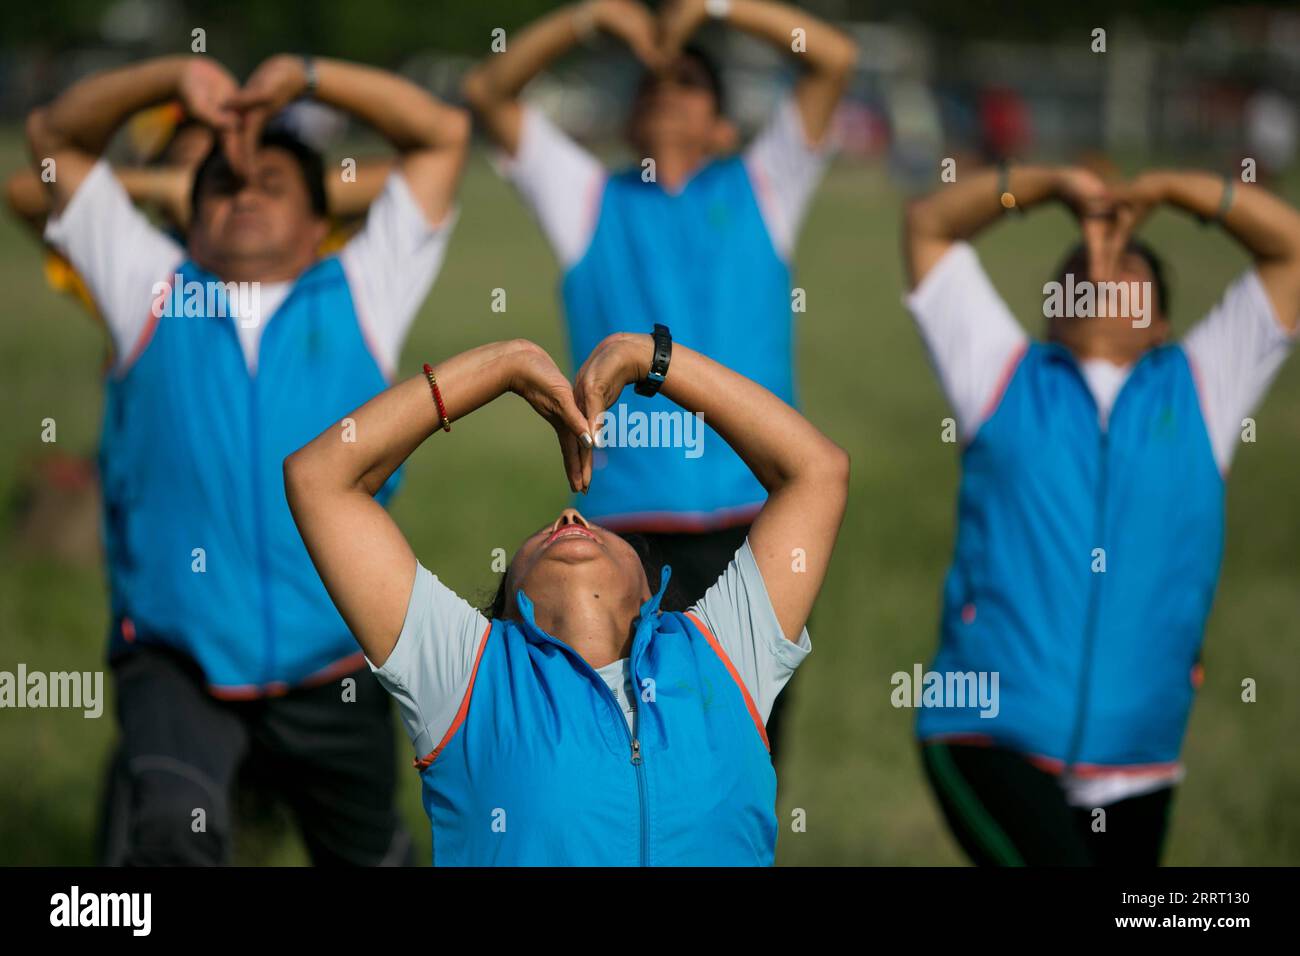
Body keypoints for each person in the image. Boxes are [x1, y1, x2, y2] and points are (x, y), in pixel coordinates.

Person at [25, 52, 470, 865]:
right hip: (178, 659)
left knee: (373, 857)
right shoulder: (149, 285)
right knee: (168, 836)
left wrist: (304, 78)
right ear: (192, 222)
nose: (245, 194)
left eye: (272, 181)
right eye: (224, 186)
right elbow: (53, 138)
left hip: (336, 657)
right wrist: (169, 77)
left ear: (318, 224)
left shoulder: (366, 287)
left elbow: (440, 135)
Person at [283, 331, 849, 865]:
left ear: (652, 590)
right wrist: (500, 367)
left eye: (598, 526)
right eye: (539, 535)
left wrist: (650, 357)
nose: (570, 515)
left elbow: (817, 471)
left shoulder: (724, 653)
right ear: (508, 608)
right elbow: (320, 478)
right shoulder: (466, 680)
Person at [461, 0, 858, 760]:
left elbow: (833, 58)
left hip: (760, 515)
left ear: (721, 125)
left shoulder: (765, 186)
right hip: (629, 533)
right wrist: (591, 19)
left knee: (747, 750)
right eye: (649, 85)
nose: (663, 92)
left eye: (687, 82)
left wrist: (712, 8)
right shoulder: (589, 202)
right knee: (632, 752)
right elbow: (488, 95)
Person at [902, 164, 1300, 865]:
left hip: (1138, 757)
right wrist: (1047, 186)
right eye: (1082, 261)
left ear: (1162, 324)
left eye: (1126, 262)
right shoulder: (1001, 373)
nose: (1101, 265)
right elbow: (930, 225)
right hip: (987, 733)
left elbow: (1289, 248)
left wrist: (1176, 190)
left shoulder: (1203, 386)